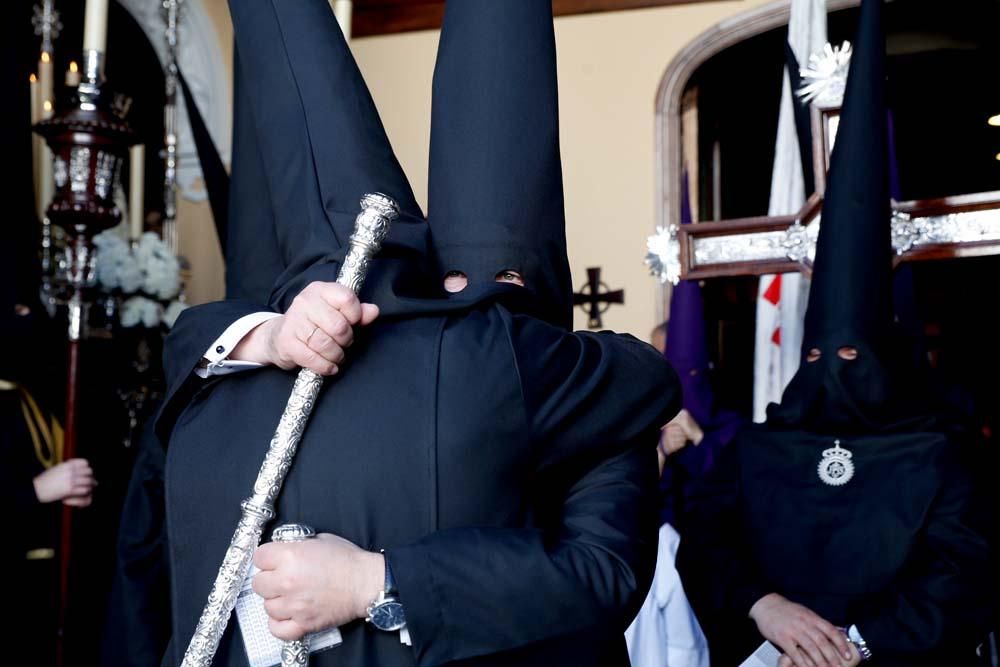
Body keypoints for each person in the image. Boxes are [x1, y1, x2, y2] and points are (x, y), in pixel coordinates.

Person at [157, 2, 680, 665]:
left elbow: (601, 573)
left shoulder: (580, 398)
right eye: (455, 287)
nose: (473, 312)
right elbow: (189, 343)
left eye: (504, 282)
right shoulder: (238, 356)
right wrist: (268, 335)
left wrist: (376, 581)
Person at [676, 1, 992, 665]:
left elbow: (963, 572)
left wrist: (849, 645)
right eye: (818, 354)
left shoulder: (940, 452)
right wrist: (765, 607)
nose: (833, 368)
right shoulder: (757, 449)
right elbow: (707, 538)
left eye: (852, 354)